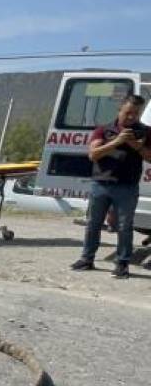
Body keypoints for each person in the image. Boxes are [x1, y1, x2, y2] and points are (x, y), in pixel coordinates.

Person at [70, 93, 151, 279]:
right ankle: (87, 258)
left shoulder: (146, 132)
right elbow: (93, 155)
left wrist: (136, 146)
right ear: (120, 110)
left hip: (128, 187)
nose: (131, 117)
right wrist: (117, 141)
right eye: (128, 112)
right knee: (93, 224)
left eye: (136, 114)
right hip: (101, 185)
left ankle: (122, 264)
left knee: (125, 226)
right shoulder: (103, 130)